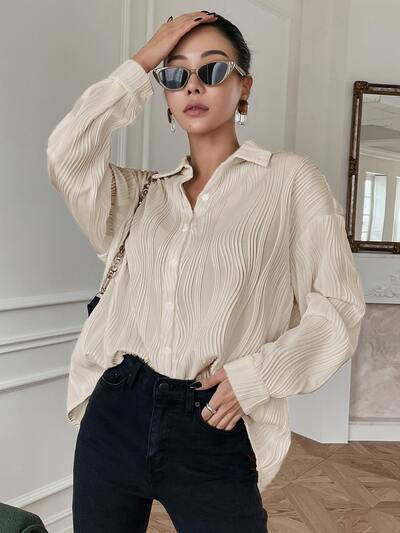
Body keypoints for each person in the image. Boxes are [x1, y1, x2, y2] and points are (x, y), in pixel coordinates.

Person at [46, 10, 366, 533]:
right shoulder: (141, 195)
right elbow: (66, 155)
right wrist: (143, 61)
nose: (193, 85)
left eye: (213, 70)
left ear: (244, 88)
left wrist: (255, 378)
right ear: (167, 97)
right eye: (176, 74)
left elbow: (339, 307)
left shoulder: (289, 182)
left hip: (214, 415)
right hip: (118, 408)